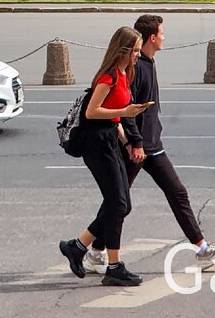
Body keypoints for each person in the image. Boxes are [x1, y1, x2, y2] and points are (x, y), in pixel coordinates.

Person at [87, 15, 215, 274]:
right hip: (139, 148)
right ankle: (92, 250)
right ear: (152, 38)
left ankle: (202, 249)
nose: (164, 37)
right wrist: (135, 143)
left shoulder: (147, 63)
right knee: (118, 203)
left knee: (174, 193)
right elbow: (128, 110)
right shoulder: (138, 68)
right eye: (162, 33)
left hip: (151, 144)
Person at [58, 26, 149, 287]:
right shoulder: (107, 77)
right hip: (96, 145)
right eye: (135, 51)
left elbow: (116, 119)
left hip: (110, 141)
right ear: (123, 50)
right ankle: (114, 266)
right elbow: (93, 112)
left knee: (122, 205)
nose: (138, 57)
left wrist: (129, 142)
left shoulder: (123, 75)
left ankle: (77, 247)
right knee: (118, 203)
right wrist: (125, 110)